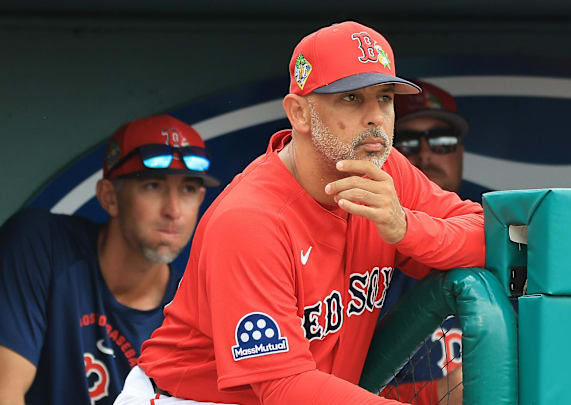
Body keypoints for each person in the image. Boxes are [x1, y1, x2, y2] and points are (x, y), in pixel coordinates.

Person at [114, 21, 485, 405]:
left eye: (386, 98)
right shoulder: (250, 219)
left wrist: (406, 227)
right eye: (353, 99)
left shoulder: (386, 172)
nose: (376, 117)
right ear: (300, 114)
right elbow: (284, 388)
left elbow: (486, 235)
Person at [0, 114, 219, 405]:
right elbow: (5, 390)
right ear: (109, 197)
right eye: (153, 185)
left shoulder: (194, 315)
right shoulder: (41, 244)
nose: (174, 210)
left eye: (188, 189)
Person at [378, 80, 470, 403]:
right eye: (407, 142)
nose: (426, 155)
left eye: (442, 141)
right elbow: (334, 386)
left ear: (460, 152)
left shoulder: (496, 241)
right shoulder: (368, 248)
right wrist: (436, 395)